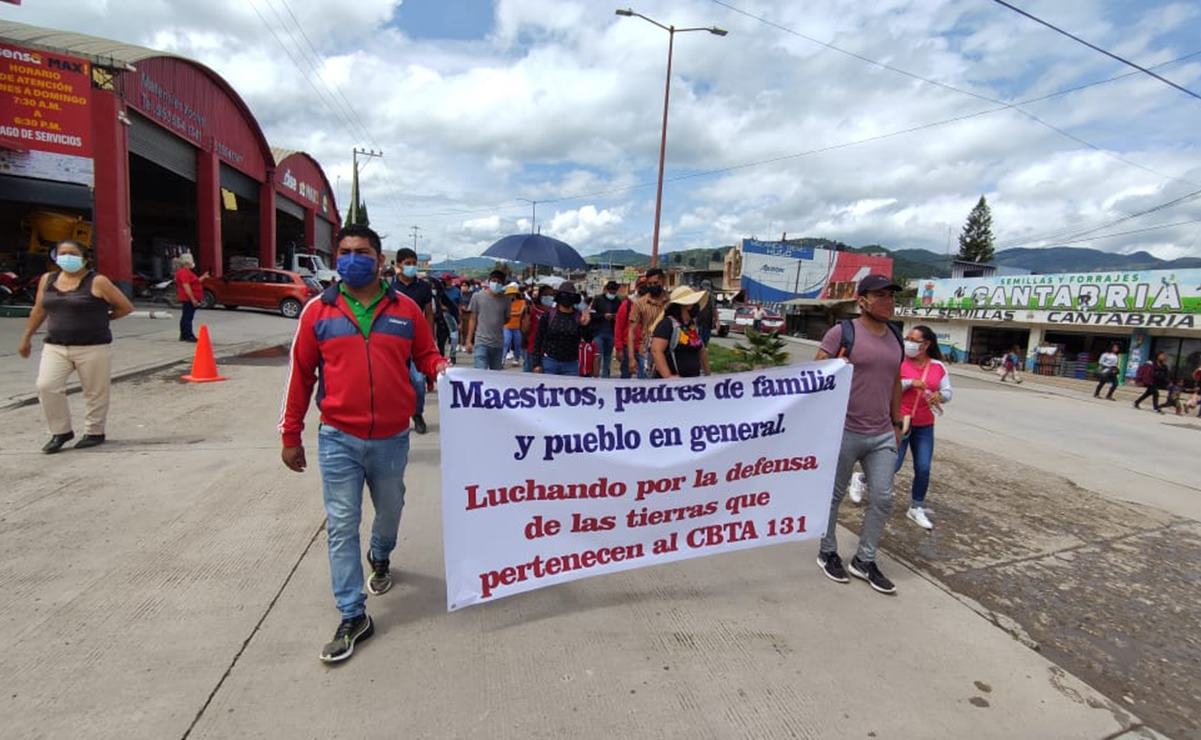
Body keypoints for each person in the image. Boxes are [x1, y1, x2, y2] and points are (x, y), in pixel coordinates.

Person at [279, 225, 448, 663]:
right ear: (337, 258)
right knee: (340, 524)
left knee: (390, 510)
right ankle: (353, 614)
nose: (353, 258)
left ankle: (382, 555)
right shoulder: (318, 311)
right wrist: (290, 434)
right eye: (345, 252)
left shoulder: (406, 309)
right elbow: (300, 375)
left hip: (392, 438)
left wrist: (443, 369)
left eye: (362, 252)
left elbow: (426, 355)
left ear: (379, 259)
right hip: (338, 437)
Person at [814, 274, 904, 595]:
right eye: (881, 295)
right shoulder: (844, 332)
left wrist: (896, 422)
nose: (888, 302)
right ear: (862, 300)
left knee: (883, 497)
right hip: (844, 429)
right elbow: (816, 371)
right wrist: (834, 365)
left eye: (891, 296)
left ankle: (865, 560)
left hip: (881, 433)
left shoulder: (896, 336)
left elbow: (895, 380)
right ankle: (827, 551)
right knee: (834, 496)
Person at [17, 239, 134, 453]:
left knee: (95, 391)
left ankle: (94, 431)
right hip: (55, 346)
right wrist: (26, 337)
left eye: (72, 253)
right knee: (46, 386)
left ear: (84, 258)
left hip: (93, 347)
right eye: (62, 253)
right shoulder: (48, 279)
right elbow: (39, 310)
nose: (66, 257)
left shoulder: (98, 282)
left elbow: (125, 307)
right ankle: (60, 431)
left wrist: (104, 318)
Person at [894, 325, 952, 531]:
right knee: (893, 465)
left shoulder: (937, 367)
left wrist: (940, 396)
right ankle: (863, 479)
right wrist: (911, 382)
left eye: (914, 339)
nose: (908, 342)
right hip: (901, 421)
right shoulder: (898, 361)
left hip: (925, 424)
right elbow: (889, 386)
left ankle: (916, 506)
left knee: (924, 467)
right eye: (907, 338)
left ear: (926, 344)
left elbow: (948, 392)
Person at [391, 248, 436, 435]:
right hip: (394, 342)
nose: (411, 266)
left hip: (416, 342)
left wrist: (430, 338)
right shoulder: (389, 287)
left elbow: (429, 314)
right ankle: (397, 417)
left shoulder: (424, 287)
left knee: (418, 382)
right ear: (399, 264)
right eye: (408, 263)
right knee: (394, 382)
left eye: (414, 263)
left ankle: (417, 414)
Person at [649, 286, 710, 378]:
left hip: (691, 382)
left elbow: (701, 351)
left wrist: (708, 376)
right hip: (672, 385)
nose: (697, 307)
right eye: (694, 303)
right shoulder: (667, 324)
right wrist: (668, 376)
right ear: (686, 306)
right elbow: (656, 350)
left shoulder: (691, 326)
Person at [532, 281, 591, 376]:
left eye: (570, 295)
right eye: (564, 295)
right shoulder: (548, 316)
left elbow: (588, 339)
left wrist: (585, 325)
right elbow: (539, 340)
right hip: (550, 363)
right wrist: (536, 364)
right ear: (559, 297)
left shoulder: (579, 317)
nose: (567, 298)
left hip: (571, 365)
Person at [465, 270, 511, 370]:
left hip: (498, 343)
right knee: (480, 373)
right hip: (481, 342)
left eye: (499, 282)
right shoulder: (477, 296)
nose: (496, 283)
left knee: (495, 375)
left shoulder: (506, 300)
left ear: (503, 284)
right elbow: (472, 319)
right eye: (494, 281)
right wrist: (468, 340)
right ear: (489, 281)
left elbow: (507, 319)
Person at [627, 268, 668, 379]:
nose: (653, 286)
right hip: (646, 353)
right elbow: (631, 331)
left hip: (668, 352)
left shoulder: (672, 302)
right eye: (649, 284)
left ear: (663, 281)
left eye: (656, 283)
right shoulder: (639, 304)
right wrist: (631, 357)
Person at [590, 280, 622, 378]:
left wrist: (616, 316)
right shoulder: (598, 299)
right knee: (597, 355)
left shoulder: (617, 301)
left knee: (607, 357)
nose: (612, 294)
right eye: (611, 292)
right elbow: (592, 314)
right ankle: (595, 376)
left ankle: (605, 376)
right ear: (606, 290)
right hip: (598, 333)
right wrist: (603, 316)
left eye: (614, 292)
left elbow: (621, 316)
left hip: (611, 333)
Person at [173, 253, 206, 342]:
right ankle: (188, 335)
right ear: (188, 262)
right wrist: (193, 299)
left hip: (189, 298)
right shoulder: (184, 272)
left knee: (186, 316)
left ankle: (184, 335)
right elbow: (186, 286)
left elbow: (194, 282)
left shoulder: (187, 272)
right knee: (188, 317)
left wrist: (203, 277)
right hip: (188, 298)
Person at [614, 279, 643, 380]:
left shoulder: (651, 304)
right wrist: (619, 348)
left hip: (644, 348)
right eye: (641, 286)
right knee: (626, 378)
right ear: (637, 288)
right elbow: (618, 327)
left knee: (644, 378)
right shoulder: (627, 305)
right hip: (627, 347)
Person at [523, 284, 555, 372]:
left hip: (549, 354)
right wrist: (527, 314)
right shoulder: (533, 309)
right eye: (546, 295)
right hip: (532, 349)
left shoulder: (555, 312)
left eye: (552, 295)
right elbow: (525, 329)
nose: (549, 297)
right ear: (540, 296)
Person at [502, 283, 527, 367]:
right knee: (506, 343)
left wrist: (510, 313)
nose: (510, 295)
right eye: (508, 294)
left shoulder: (522, 302)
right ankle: (502, 360)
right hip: (507, 326)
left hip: (517, 327)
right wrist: (514, 313)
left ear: (515, 294)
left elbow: (520, 312)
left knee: (517, 344)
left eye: (511, 294)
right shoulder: (505, 303)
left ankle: (516, 359)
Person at [695, 279, 719, 345]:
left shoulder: (712, 298)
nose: (707, 291)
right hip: (699, 323)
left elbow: (714, 309)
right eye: (705, 289)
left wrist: (717, 321)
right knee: (699, 342)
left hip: (708, 324)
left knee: (705, 342)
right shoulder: (698, 297)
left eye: (708, 289)